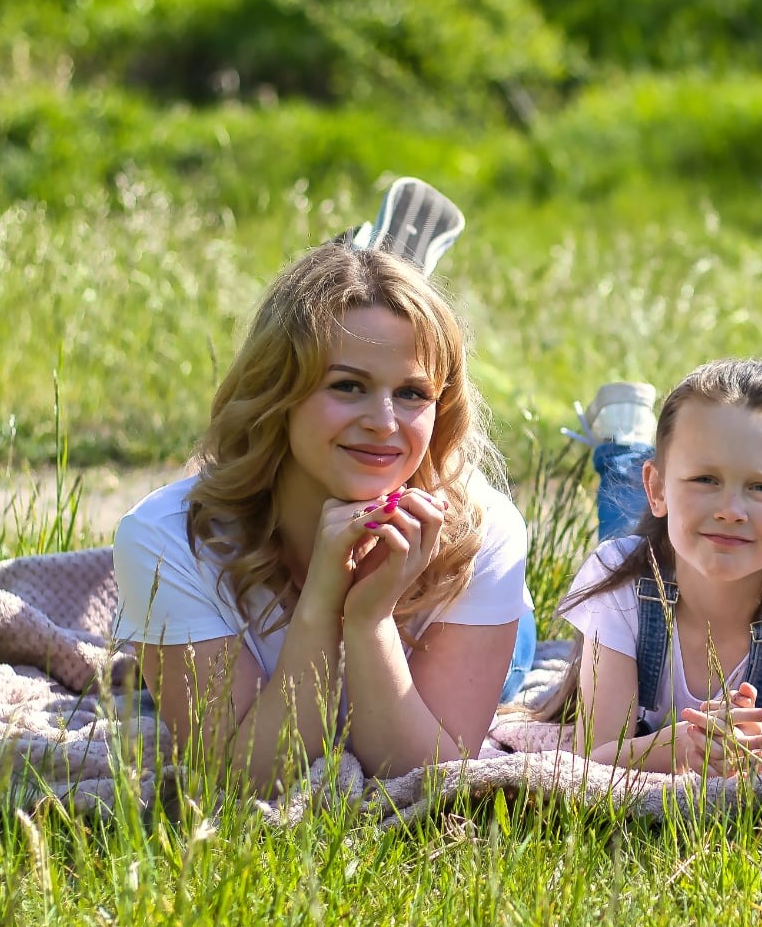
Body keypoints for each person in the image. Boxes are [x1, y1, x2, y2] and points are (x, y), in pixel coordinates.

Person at [113, 179, 530, 790]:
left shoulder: (482, 533)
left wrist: (369, 620)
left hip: (485, 628)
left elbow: (426, 776)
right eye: (347, 385)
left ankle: (621, 452)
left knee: (523, 667)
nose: (384, 424)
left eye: (412, 392)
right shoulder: (167, 541)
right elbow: (252, 781)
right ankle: (374, 274)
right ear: (277, 393)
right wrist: (321, 605)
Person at [532, 359, 762, 772]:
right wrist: (682, 746)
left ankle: (639, 449)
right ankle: (624, 442)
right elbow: (597, 758)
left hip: (677, 531)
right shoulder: (618, 578)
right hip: (655, 546)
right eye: (705, 479)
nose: (731, 510)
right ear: (657, 487)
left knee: (664, 525)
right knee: (626, 531)